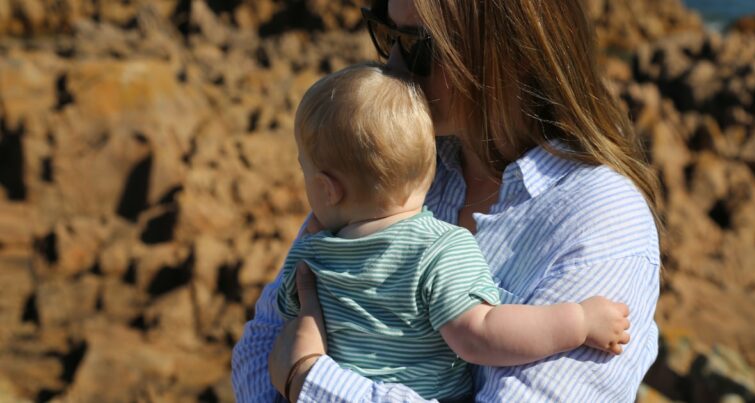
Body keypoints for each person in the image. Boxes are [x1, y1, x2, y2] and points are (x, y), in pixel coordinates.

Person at [232, 0, 662, 401]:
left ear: (510, 51)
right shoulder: (390, 163)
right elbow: (257, 347)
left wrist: (308, 379)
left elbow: (282, 351)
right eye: (386, 34)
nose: (393, 65)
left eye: (416, 45)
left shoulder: (601, 222)